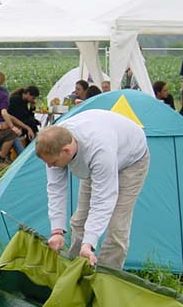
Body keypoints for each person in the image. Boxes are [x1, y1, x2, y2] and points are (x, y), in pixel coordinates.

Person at [35, 110, 150, 270]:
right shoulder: (54, 144)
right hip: (98, 156)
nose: (50, 167)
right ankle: (75, 269)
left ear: (67, 151)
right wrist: (57, 231)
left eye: (53, 163)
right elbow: (56, 189)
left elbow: (103, 200)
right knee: (80, 220)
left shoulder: (99, 150)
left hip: (131, 160)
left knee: (117, 227)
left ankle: (106, 278)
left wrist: (89, 242)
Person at [8, 85, 41, 149]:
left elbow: (28, 115)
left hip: (20, 120)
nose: (33, 100)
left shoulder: (24, 101)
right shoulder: (15, 99)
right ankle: (31, 144)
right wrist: (34, 121)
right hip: (13, 121)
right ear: (28, 94)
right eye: (33, 98)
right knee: (31, 123)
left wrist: (32, 107)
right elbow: (21, 116)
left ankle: (31, 143)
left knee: (32, 122)